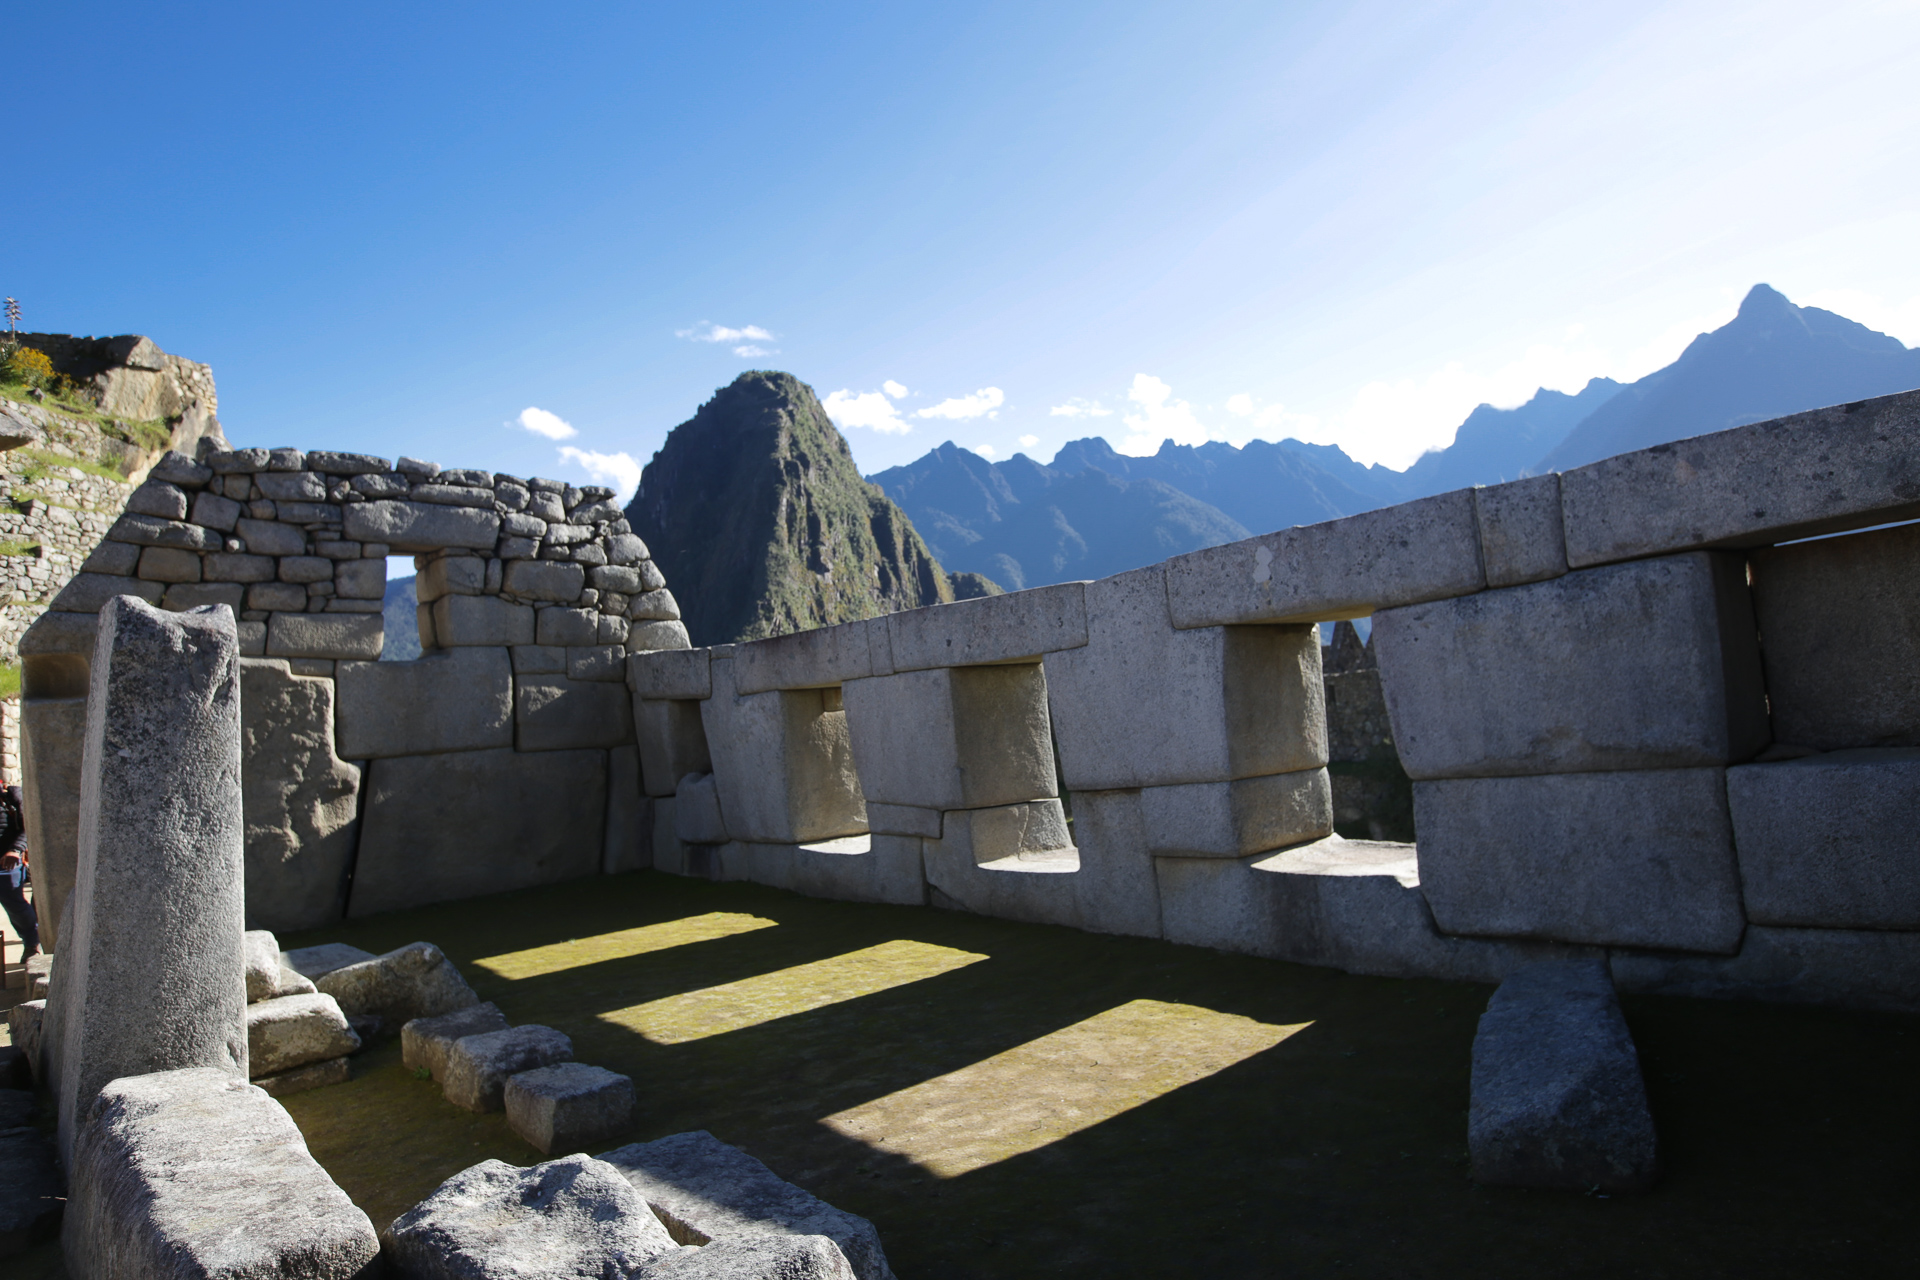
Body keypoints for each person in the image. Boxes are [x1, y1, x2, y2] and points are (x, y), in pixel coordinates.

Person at [0, 778, 37, 960]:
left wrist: (15, 850)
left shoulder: (11, 797)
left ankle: (31, 943)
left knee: (15, 907)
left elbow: (28, 827)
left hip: (7, 864)